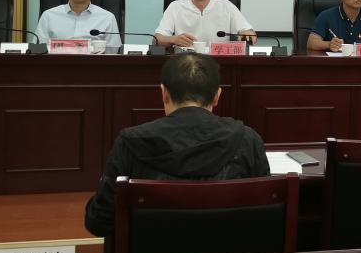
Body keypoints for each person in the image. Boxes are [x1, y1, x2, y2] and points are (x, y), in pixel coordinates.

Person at [84, 53, 270, 237]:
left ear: (164, 93)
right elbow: (266, 217)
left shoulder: (129, 142)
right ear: (217, 96)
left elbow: (99, 222)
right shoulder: (248, 140)